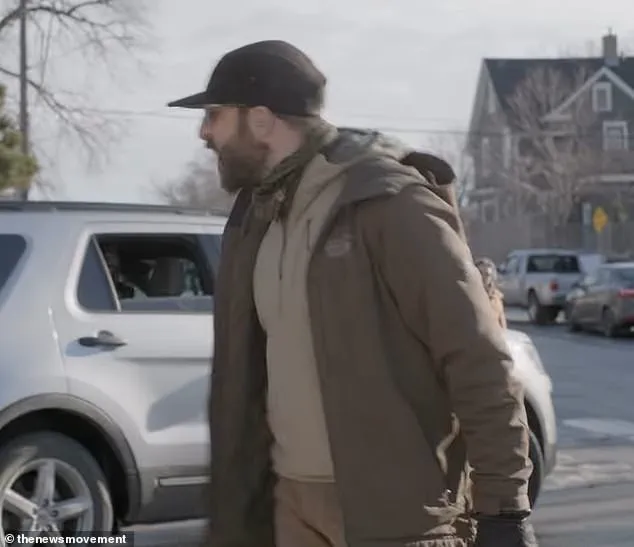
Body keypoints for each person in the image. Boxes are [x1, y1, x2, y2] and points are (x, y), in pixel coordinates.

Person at [168, 40, 537, 547]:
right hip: (286, 510)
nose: (204, 133)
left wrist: (505, 510)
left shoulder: (389, 203)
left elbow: (476, 357)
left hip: (392, 516)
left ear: (260, 119)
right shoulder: (256, 216)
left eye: (214, 115)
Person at [475, 257, 507, 329]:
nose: (483, 278)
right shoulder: (470, 295)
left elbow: (502, 324)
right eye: (480, 273)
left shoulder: (496, 298)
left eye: (487, 274)